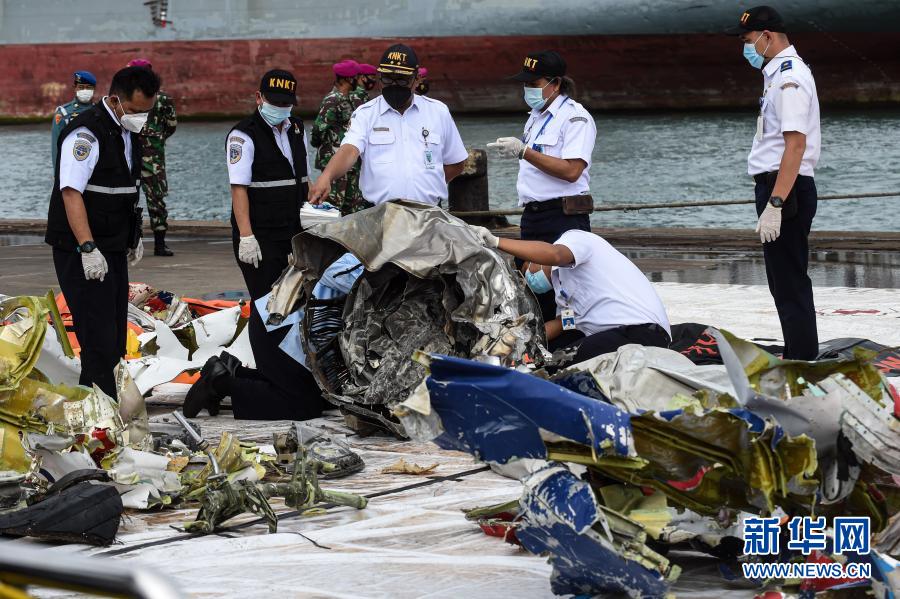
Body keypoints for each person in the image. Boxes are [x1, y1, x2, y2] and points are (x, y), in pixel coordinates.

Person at [45, 66, 159, 397]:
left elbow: (122, 189)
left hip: (111, 246)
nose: (142, 118)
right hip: (81, 249)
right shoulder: (86, 134)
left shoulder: (127, 133)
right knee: (97, 337)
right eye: (137, 111)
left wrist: (132, 237)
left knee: (113, 335)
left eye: (147, 111)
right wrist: (87, 247)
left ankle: (93, 407)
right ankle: (104, 417)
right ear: (116, 100)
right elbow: (71, 192)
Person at [728, 6, 820, 360]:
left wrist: (776, 204)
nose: (746, 48)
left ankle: (801, 358)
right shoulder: (776, 75)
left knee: (790, 280)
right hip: (780, 186)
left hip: (786, 189)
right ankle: (797, 351)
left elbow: (795, 144)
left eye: (748, 40)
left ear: (767, 37)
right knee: (782, 280)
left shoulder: (788, 77)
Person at [183, 253, 364, 420]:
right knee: (303, 406)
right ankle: (219, 383)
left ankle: (233, 370)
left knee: (322, 397)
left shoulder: (369, 260)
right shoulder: (362, 266)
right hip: (280, 326)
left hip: (286, 326)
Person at [487, 50, 597, 322]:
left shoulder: (575, 118)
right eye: (525, 83)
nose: (527, 89)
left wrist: (524, 152)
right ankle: (544, 348)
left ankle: (573, 342)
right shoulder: (536, 116)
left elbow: (572, 170)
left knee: (567, 289)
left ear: (555, 84)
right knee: (536, 291)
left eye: (534, 84)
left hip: (562, 217)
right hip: (534, 216)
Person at [473, 227, 671, 363]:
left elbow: (556, 255)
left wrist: (496, 241)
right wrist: (509, 341)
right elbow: (557, 327)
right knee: (546, 359)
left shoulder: (576, 241)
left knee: (555, 365)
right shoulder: (564, 299)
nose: (531, 278)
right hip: (615, 337)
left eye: (528, 268)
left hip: (637, 331)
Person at [309, 44, 468, 208]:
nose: (394, 85)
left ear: (417, 79)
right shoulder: (366, 113)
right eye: (387, 79)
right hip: (380, 215)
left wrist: (430, 184)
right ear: (379, 77)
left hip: (429, 214)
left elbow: (456, 163)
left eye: (401, 80)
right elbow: (349, 150)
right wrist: (326, 176)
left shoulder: (438, 112)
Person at [226, 69, 309, 302]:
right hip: (262, 236)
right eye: (275, 101)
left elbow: (304, 178)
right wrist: (246, 237)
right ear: (259, 98)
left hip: (294, 232)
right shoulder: (243, 136)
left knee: (296, 302)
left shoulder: (297, 128)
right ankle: (263, 340)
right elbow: (238, 189)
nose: (281, 107)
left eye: (286, 102)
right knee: (267, 304)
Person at [127, 58, 178, 257]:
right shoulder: (162, 99)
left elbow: (171, 125)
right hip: (147, 155)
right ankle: (155, 243)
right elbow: (171, 126)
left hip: (140, 154)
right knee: (149, 198)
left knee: (145, 198)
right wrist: (157, 138)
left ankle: (152, 243)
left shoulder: (159, 99)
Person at [310, 60, 366, 215]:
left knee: (352, 203)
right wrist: (324, 148)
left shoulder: (348, 98)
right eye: (356, 77)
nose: (358, 81)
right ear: (348, 79)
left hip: (349, 161)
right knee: (333, 203)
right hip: (333, 160)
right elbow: (319, 128)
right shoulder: (333, 99)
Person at [51, 71, 97, 166]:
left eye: (88, 88)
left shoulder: (99, 111)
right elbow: (56, 145)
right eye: (81, 87)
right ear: (75, 88)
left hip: (94, 165)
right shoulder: (64, 113)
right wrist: (57, 174)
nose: (85, 90)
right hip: (71, 165)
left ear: (94, 89)